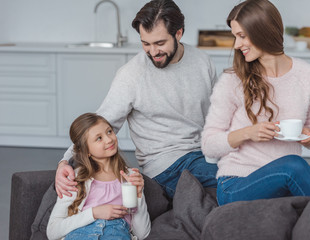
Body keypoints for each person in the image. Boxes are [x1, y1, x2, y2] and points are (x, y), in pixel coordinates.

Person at [201, 0, 310, 227]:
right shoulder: (233, 80)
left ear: (263, 30)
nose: (236, 45)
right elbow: (209, 144)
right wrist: (248, 133)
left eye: (242, 36)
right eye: (235, 36)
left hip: (285, 184)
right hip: (237, 185)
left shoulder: (309, 76)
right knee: (293, 166)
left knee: (293, 170)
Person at [55, 0, 218, 199]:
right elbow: (100, 123)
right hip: (165, 167)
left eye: (160, 43)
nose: (153, 52)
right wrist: (64, 162)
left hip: (203, 154)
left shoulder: (202, 61)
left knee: (245, 171)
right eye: (145, 43)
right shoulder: (131, 75)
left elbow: (217, 114)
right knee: (234, 178)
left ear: (178, 33)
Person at [47, 113, 151, 240]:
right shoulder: (76, 179)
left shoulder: (130, 177)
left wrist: (139, 195)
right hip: (82, 233)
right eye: (99, 138)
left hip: (116, 232)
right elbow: (52, 231)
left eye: (109, 131)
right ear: (86, 151)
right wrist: (94, 213)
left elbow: (142, 234)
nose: (109, 139)